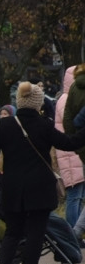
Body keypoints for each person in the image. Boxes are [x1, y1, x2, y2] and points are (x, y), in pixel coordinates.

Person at [0, 81, 85, 264]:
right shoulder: (43, 125)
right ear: (38, 103)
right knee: (35, 233)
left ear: (19, 101)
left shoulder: (6, 125)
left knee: (13, 232)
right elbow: (69, 143)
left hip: (13, 188)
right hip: (40, 189)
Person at [56, 66, 85, 228]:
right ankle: (73, 233)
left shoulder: (69, 97)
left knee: (78, 196)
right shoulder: (66, 100)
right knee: (74, 196)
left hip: (73, 153)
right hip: (71, 155)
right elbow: (71, 124)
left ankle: (76, 232)